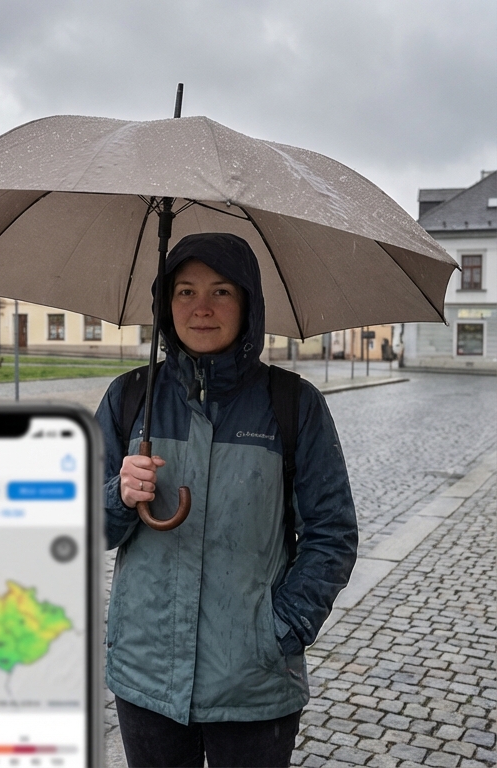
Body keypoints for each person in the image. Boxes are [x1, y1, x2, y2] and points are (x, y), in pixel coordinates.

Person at [94, 233, 358, 767]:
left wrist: (280, 629)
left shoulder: (292, 404)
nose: (202, 308)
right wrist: (119, 495)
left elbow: (332, 533)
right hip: (146, 675)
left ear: (248, 305)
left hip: (254, 680)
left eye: (221, 292)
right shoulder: (129, 399)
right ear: (166, 305)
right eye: (185, 292)